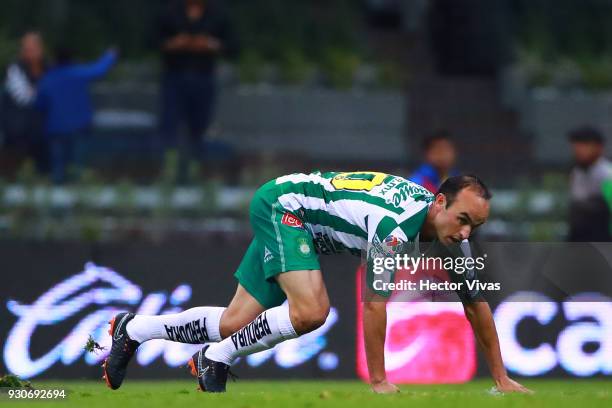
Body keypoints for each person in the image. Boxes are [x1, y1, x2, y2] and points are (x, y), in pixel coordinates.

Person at [102, 171, 531, 394]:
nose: (466, 233)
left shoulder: (454, 238)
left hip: (296, 216)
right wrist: (379, 381)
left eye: (475, 225)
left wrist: (501, 378)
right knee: (311, 311)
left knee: (236, 322)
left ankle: (132, 330)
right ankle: (215, 359)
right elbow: (374, 303)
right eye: (462, 220)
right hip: (285, 208)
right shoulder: (395, 229)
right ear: (439, 202)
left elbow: (475, 303)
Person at [158, 0, 237, 182]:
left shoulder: (217, 13)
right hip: (174, 76)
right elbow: (152, 40)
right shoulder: (170, 12)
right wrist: (174, 44)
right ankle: (169, 170)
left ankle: (195, 169)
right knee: (170, 124)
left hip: (203, 76)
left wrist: (211, 45)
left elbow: (233, 45)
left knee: (200, 126)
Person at [35, 47, 117, 183]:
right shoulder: (78, 73)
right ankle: (78, 199)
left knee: (58, 169)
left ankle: (57, 199)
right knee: (78, 168)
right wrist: (110, 55)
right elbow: (99, 70)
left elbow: (39, 104)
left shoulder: (48, 79)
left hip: (55, 130)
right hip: (79, 129)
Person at [1, 31, 47, 170]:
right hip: (17, 130)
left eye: (34, 48)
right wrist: (42, 94)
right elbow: (23, 97)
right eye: (26, 48)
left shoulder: (48, 67)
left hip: (41, 130)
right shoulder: (15, 68)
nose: (30, 52)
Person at [567, 126, 612, 241]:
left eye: (584, 145)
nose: (578, 150)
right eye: (576, 146)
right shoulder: (577, 172)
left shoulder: (606, 175)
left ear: (599, 148)